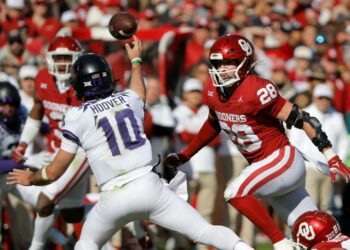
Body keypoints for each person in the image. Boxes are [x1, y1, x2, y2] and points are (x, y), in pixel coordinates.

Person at [7, 36, 253, 250]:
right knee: (203, 231)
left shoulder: (76, 115)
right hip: (150, 187)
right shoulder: (128, 99)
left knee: (86, 244)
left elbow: (54, 171)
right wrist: (136, 60)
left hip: (113, 197)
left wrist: (31, 178)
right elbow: (139, 91)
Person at [163, 34, 350, 250]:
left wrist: (331, 155)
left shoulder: (257, 89)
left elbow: (303, 119)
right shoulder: (212, 90)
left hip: (282, 160)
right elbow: (213, 123)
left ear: (245, 64)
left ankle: (280, 243)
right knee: (313, 234)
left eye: (229, 63)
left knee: (235, 192)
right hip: (267, 169)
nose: (222, 69)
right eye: (218, 63)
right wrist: (186, 154)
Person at [11, 35, 90, 250]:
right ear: (49, 59)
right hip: (56, 150)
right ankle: (115, 212)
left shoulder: (86, 83)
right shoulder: (43, 79)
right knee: (73, 214)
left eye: (68, 58)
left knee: (45, 200)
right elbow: (37, 112)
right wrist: (23, 143)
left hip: (81, 152)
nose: (63, 64)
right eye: (59, 58)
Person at [288, 84, 349, 211]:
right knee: (311, 205)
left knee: (327, 206)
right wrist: (303, 165)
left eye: (327, 98)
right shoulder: (304, 115)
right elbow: (294, 142)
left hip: (329, 169)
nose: (324, 101)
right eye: (321, 97)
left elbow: (343, 142)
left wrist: (338, 161)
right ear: (315, 98)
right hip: (310, 168)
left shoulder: (336, 116)